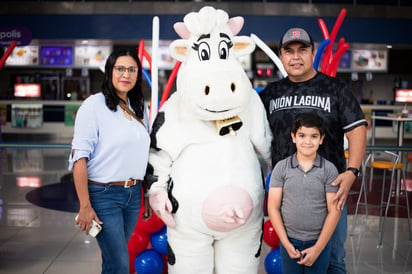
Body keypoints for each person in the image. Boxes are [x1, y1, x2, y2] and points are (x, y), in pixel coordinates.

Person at [259, 27, 367, 274]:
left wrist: (352, 171)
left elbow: (357, 130)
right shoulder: (271, 94)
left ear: (313, 53)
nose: (295, 57)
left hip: (329, 191)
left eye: (302, 50)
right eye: (289, 51)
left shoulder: (336, 89)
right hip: (286, 193)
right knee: (290, 257)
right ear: (282, 55)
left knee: (334, 259)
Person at [68, 48, 150, 274]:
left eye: (132, 70)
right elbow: (79, 158)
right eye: (120, 69)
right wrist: (85, 205)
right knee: (120, 265)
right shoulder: (94, 106)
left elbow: (143, 155)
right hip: (104, 196)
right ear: (110, 72)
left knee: (114, 262)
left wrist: (147, 194)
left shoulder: (140, 109)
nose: (126, 75)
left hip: (133, 196)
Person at [267, 112, 341, 274]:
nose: (307, 141)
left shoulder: (329, 170)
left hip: (319, 243)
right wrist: (286, 243)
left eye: (313, 136)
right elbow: (273, 207)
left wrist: (317, 248)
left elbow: (334, 210)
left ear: (321, 139)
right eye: (302, 135)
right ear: (294, 137)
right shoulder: (281, 168)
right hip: (289, 242)